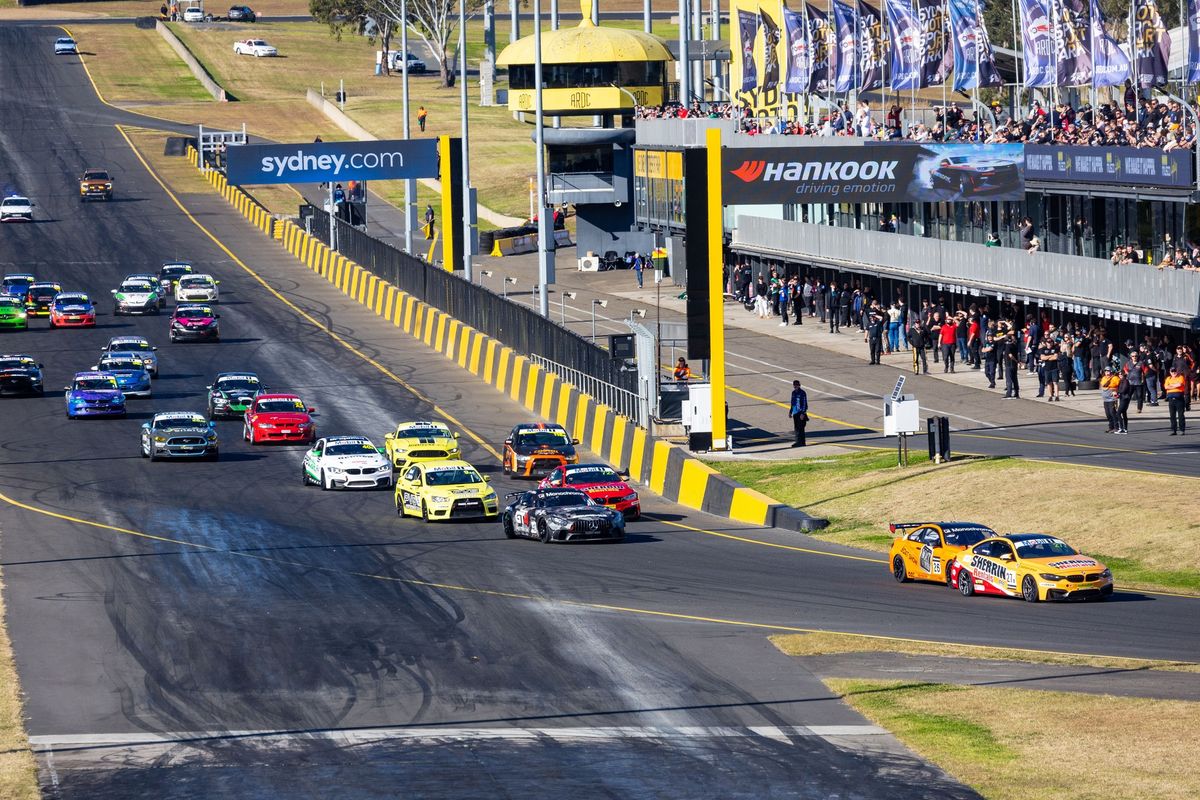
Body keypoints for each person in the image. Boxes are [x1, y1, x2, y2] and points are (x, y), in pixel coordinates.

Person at [1164, 366, 1187, 434]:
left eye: (1175, 371)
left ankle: (1182, 430)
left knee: (1180, 415)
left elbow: (1179, 384)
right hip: (1171, 398)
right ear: (1170, 372)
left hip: (1179, 398)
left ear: (1177, 371)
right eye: (1172, 371)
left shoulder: (1180, 377)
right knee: (1172, 415)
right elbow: (1166, 386)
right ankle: (1174, 430)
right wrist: (1174, 385)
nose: (1173, 372)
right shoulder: (1168, 378)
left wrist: (1171, 386)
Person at [1099, 367, 1121, 433]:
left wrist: (1116, 391)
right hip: (1105, 399)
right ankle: (1111, 427)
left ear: (1111, 371)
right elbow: (1102, 386)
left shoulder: (1115, 378)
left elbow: (1120, 385)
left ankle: (1116, 427)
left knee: (1112, 413)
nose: (1107, 372)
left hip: (1112, 399)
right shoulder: (1103, 378)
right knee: (1108, 414)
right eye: (1106, 371)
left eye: (1108, 371)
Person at [788, 380, 809, 448]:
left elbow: (805, 404)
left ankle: (802, 442)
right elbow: (792, 403)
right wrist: (790, 412)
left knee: (801, 428)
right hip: (795, 412)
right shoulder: (793, 393)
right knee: (796, 428)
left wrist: (803, 413)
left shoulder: (802, 393)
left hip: (800, 412)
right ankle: (798, 441)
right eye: (794, 385)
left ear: (799, 385)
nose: (795, 386)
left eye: (796, 385)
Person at [981, 319, 997, 388]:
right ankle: (992, 381)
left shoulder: (994, 343)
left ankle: (992, 383)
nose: (989, 337)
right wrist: (985, 349)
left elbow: (990, 348)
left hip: (993, 359)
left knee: (992, 372)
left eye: (991, 336)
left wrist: (986, 349)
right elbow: (982, 350)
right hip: (987, 359)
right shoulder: (987, 342)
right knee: (986, 373)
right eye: (988, 336)